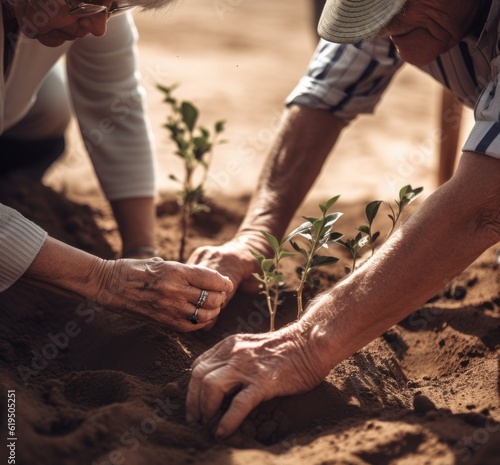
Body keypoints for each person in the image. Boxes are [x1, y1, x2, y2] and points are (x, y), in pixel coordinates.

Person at [186, 0, 500, 438]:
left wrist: (306, 345)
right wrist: (256, 237)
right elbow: (326, 97)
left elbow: (482, 207)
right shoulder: (406, 12)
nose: (387, 36)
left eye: (392, 14)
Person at [0, 0, 233, 330]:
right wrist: (103, 279)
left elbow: (115, 101)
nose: (98, 27)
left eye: (115, 8)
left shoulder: (95, 8)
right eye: (84, 5)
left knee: (52, 102)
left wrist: (141, 249)